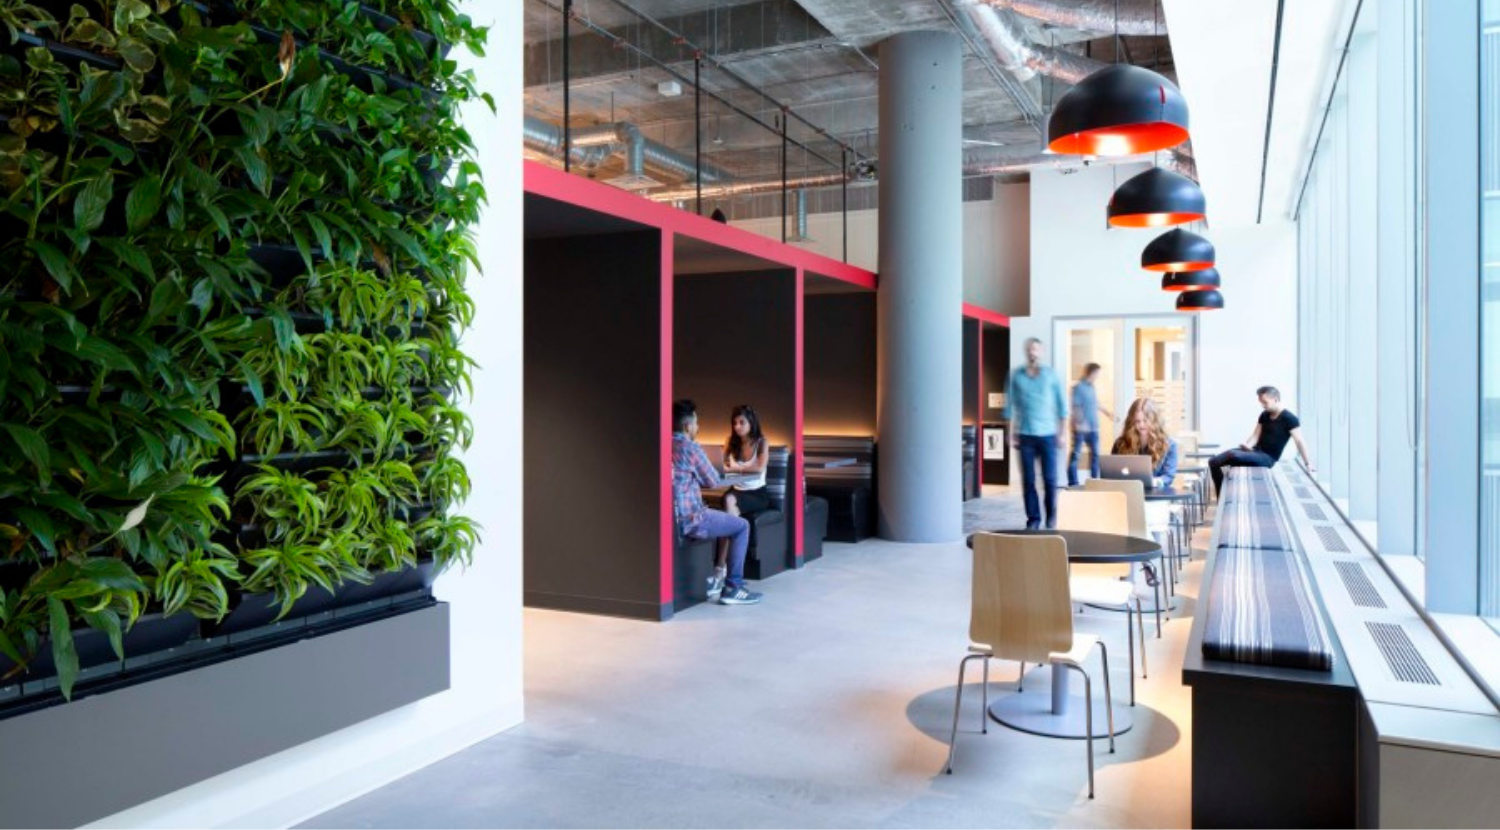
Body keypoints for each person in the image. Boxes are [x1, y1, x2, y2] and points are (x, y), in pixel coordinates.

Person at [672, 399, 763, 605]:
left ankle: (716, 578)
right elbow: (713, 481)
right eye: (696, 423)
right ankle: (733, 587)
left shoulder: (661, 444)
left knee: (722, 512)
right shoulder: (690, 448)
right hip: (690, 519)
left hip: (668, 518)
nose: (698, 426)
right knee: (741, 526)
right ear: (688, 426)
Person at [1003, 337, 1069, 529]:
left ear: (1041, 352)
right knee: (1028, 480)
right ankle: (1033, 519)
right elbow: (1009, 406)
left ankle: (1051, 516)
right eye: (1030, 349)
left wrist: (1062, 433)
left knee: (1050, 479)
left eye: (1036, 349)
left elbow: (1062, 407)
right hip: (1025, 434)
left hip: (1048, 435)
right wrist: (1009, 432)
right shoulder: (1016, 376)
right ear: (1026, 351)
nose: (1033, 352)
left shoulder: (1051, 376)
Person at [1207, 386, 1315, 493]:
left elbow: (1299, 441)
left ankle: (1225, 494)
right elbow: (1255, 435)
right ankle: (1220, 494)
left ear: (1275, 399)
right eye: (1261, 402)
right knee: (1213, 462)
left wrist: (1307, 463)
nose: (1262, 405)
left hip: (1268, 458)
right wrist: (1248, 446)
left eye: (1265, 402)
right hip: (1255, 451)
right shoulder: (1264, 415)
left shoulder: (1290, 419)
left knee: (1233, 455)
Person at [716, 405, 770, 599]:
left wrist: (734, 470)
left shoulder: (762, 442)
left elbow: (759, 469)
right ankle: (730, 581)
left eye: (742, 422)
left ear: (751, 423)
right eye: (735, 423)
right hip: (736, 490)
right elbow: (721, 467)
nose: (737, 426)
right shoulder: (730, 442)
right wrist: (734, 470)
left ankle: (719, 572)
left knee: (729, 504)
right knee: (728, 504)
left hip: (757, 494)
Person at [1111, 398, 1179, 488]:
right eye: (1137, 421)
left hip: (1156, 495)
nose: (1141, 425)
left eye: (1145, 421)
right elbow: (1112, 473)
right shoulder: (1120, 443)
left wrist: (1152, 482)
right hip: (1128, 493)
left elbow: (1168, 477)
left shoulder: (1170, 445)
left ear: (1155, 421)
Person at [1067, 362, 1115, 486]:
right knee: (1076, 456)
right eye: (1097, 373)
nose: (1098, 376)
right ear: (1091, 372)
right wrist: (1079, 424)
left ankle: (1094, 482)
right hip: (1081, 429)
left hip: (1093, 428)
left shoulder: (1091, 387)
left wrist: (1108, 413)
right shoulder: (1078, 387)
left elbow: (1096, 403)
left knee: (1095, 457)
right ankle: (1073, 483)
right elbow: (1075, 407)